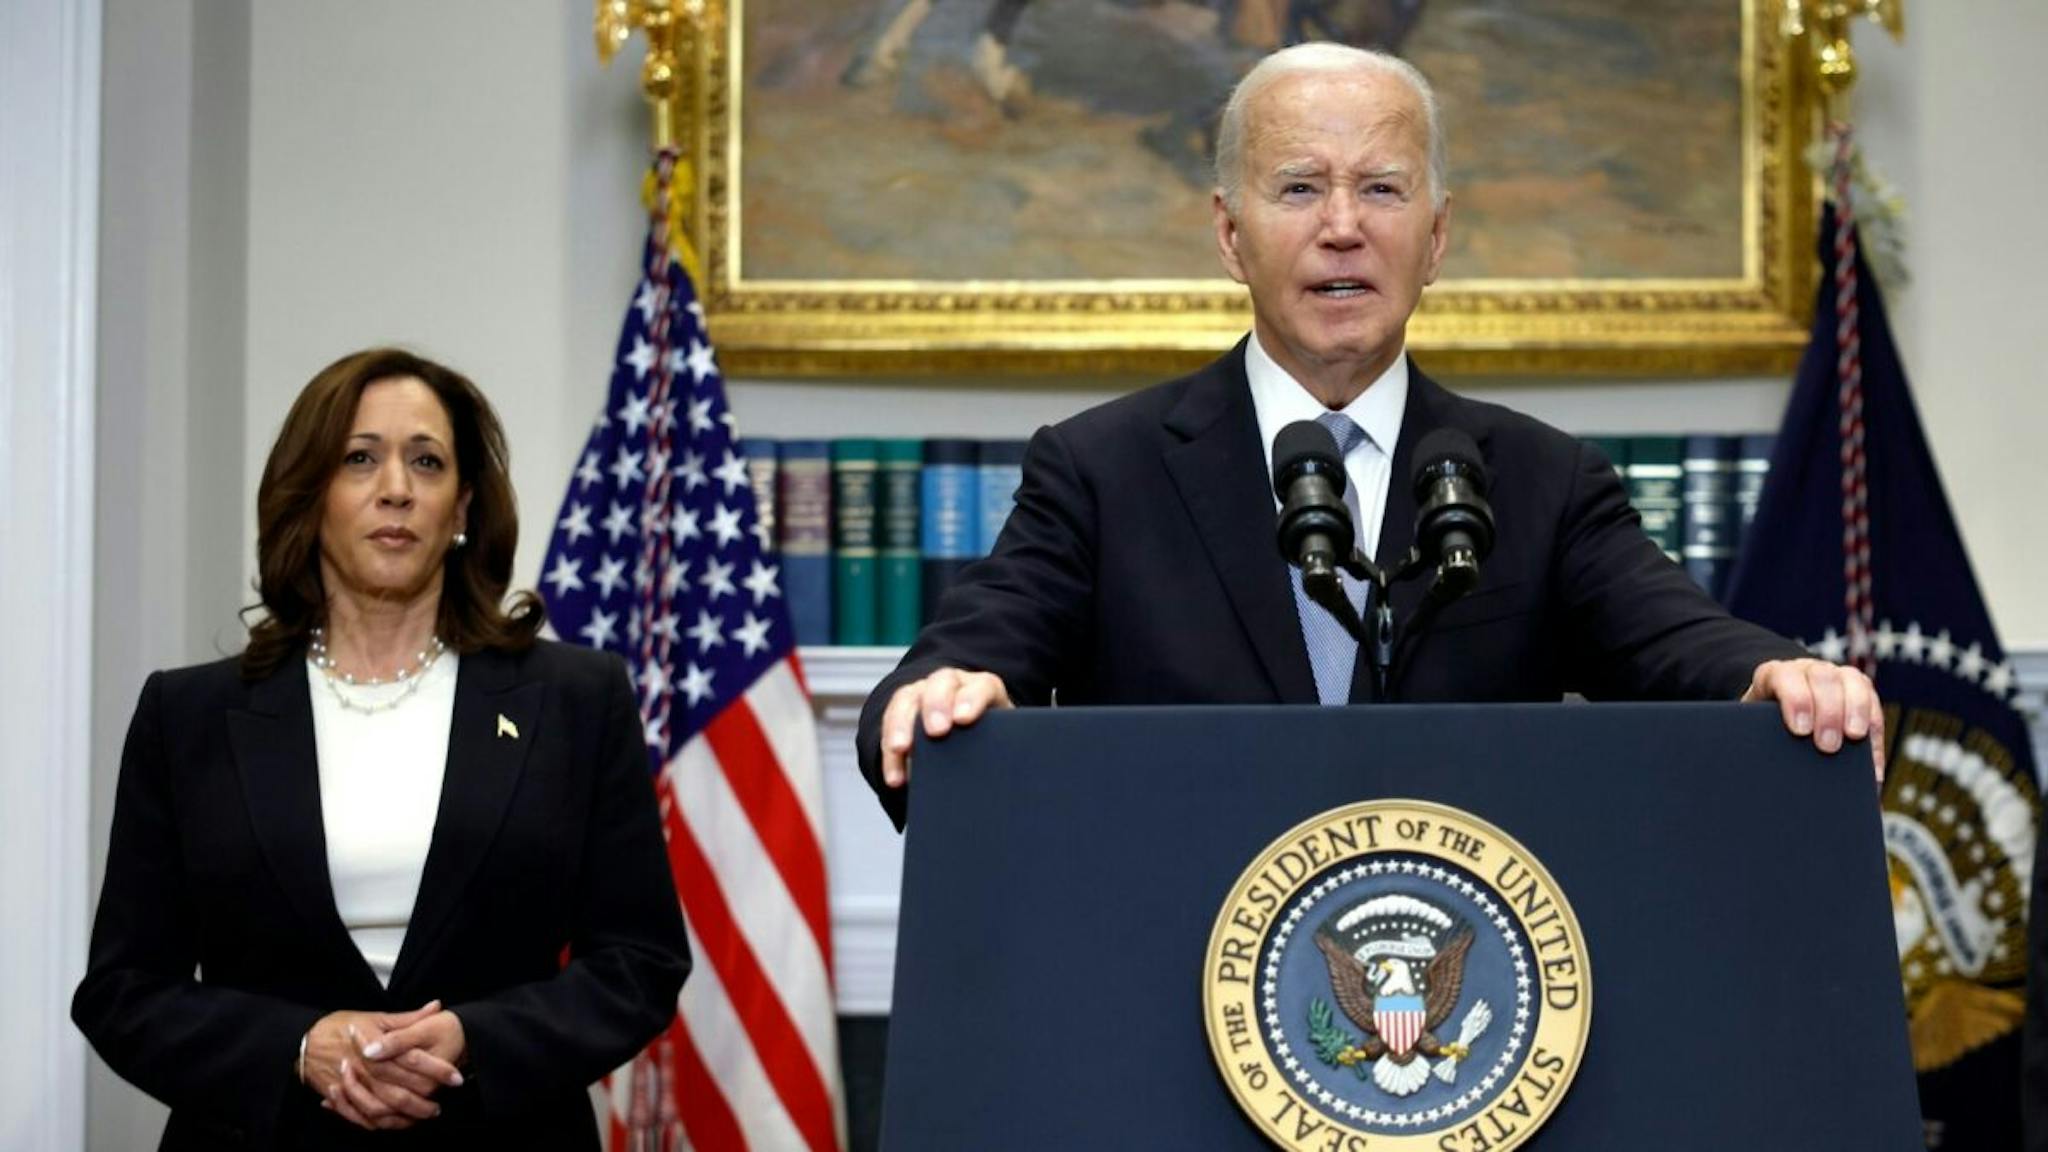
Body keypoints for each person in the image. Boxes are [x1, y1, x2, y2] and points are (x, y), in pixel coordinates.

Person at [855, 43, 1884, 829]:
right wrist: (940, 697)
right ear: (1230, 235)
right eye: (1299, 188)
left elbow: (1680, 643)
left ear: (1434, 237)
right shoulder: (1101, 470)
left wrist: (1774, 676)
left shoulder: (1540, 479)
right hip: (1174, 981)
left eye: (1382, 188)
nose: (1342, 226)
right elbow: (961, 662)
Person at [73, 349, 691, 1149]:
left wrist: (475, 1040)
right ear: (310, 496)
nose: (396, 487)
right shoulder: (188, 715)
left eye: (426, 462)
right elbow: (123, 991)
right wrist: (298, 1048)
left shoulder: (577, 700)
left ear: (461, 507)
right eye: (359, 458)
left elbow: (640, 961)